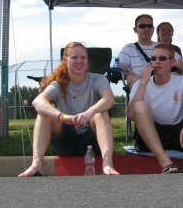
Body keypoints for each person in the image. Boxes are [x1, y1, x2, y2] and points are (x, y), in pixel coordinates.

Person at [18, 42, 119, 177]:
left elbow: (109, 99)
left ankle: (107, 165)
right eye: (74, 58)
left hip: (92, 140)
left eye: (83, 58)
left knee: (101, 113)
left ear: (88, 61)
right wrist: (63, 117)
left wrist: (91, 111)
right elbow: (38, 101)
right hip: (66, 140)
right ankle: (36, 165)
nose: (79, 61)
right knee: (44, 114)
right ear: (65, 60)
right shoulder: (58, 84)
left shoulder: (97, 79)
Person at [127, 43, 183, 173]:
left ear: (172, 62)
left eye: (162, 58)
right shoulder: (140, 83)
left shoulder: (181, 80)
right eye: (154, 58)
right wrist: (143, 83)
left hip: (180, 135)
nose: (157, 62)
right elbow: (131, 115)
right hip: (150, 136)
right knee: (140, 106)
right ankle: (164, 161)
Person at [118, 14, 183, 88]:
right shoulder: (128, 48)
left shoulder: (163, 47)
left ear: (153, 29)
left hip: (164, 87)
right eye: (142, 26)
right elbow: (120, 69)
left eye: (149, 26)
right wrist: (128, 74)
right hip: (140, 86)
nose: (146, 28)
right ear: (135, 30)